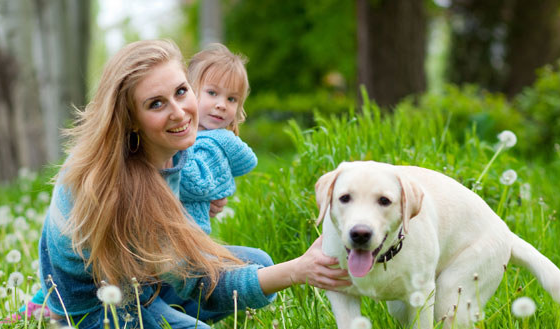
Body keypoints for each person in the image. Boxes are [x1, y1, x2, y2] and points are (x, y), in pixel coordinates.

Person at [34, 39, 349, 329]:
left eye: (181, 92)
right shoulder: (119, 188)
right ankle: (50, 314)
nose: (179, 112)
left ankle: (166, 309)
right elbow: (202, 285)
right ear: (130, 119)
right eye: (156, 104)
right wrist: (299, 270)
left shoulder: (168, 148)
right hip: (104, 302)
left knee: (258, 264)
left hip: (142, 273)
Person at [179, 43, 256, 234]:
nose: (221, 105)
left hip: (186, 238)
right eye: (212, 93)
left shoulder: (214, 143)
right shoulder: (189, 134)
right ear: (189, 90)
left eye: (232, 99)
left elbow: (193, 183)